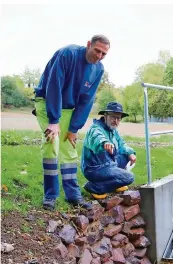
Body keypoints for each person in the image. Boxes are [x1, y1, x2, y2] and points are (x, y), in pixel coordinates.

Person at [33, 35, 110, 210]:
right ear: (88, 45)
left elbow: (86, 100)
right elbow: (54, 86)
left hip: (69, 108)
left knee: (69, 147)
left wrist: (74, 128)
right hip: (47, 102)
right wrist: (54, 120)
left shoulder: (98, 69)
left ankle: (73, 195)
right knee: (52, 142)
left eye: (103, 54)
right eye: (97, 50)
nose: (99, 56)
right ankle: (50, 196)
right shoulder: (67, 54)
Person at [81, 102, 136, 199]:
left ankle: (116, 184)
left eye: (118, 118)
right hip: (95, 168)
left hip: (108, 163)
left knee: (127, 156)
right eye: (113, 117)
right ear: (105, 116)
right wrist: (104, 143)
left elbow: (122, 144)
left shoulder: (113, 131)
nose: (115, 121)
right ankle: (95, 187)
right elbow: (97, 137)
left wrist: (130, 153)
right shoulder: (95, 129)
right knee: (129, 177)